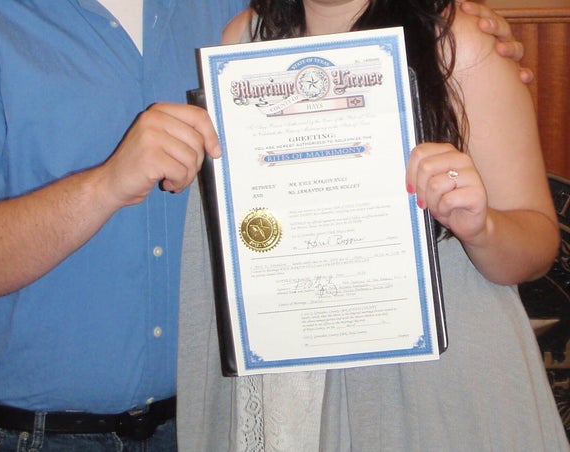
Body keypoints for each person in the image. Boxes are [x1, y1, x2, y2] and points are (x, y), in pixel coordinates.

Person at [0, 0, 532, 449]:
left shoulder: (234, 16)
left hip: (213, 428)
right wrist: (103, 186)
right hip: (30, 436)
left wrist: (462, 27)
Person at [176, 0, 569, 451]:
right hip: (288, 373)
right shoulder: (242, 41)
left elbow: (537, 246)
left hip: (438, 384)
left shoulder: (458, 42)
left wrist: (481, 229)